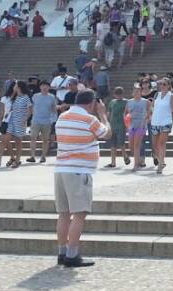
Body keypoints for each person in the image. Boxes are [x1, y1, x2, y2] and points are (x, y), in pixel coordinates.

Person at [54, 90, 110, 268]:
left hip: (61, 168)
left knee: (63, 214)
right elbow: (106, 134)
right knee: (79, 214)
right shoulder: (89, 119)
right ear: (92, 102)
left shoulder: (62, 116)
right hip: (79, 170)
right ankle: (72, 255)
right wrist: (103, 115)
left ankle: (62, 252)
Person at [149, 78, 173, 174]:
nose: (162, 86)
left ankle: (160, 165)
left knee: (161, 143)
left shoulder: (171, 96)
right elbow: (153, 108)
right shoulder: (156, 95)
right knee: (154, 146)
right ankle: (162, 162)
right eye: (161, 84)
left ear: (168, 86)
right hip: (155, 122)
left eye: (164, 84)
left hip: (166, 122)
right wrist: (148, 116)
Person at [27, 81, 58, 163]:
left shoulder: (52, 97)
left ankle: (43, 157)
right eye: (43, 86)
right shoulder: (35, 96)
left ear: (49, 87)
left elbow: (54, 109)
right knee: (33, 138)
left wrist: (53, 120)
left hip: (47, 121)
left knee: (45, 140)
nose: (44, 87)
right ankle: (32, 156)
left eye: (46, 86)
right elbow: (31, 106)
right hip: (35, 120)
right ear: (40, 87)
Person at [126, 85, 151, 171]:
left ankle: (136, 164)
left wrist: (146, 120)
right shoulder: (129, 102)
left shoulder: (145, 101)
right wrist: (126, 122)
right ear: (133, 93)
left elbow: (150, 111)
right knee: (131, 145)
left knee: (137, 144)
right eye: (135, 91)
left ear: (141, 92)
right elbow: (125, 113)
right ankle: (139, 159)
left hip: (141, 124)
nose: (136, 93)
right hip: (131, 124)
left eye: (138, 91)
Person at [105, 87, 129, 168]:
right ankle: (113, 162)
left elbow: (128, 113)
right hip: (113, 125)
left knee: (121, 142)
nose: (118, 96)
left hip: (121, 125)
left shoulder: (126, 102)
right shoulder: (112, 102)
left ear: (122, 94)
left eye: (120, 94)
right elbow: (109, 112)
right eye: (117, 94)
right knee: (112, 144)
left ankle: (125, 156)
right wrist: (106, 122)